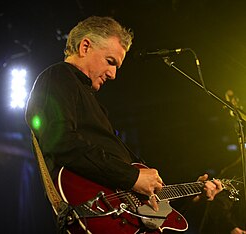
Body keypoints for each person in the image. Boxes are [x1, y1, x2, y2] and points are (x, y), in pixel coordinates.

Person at [25, 16, 222, 232]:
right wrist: (132, 177)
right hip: (93, 209)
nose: (113, 74)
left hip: (118, 210)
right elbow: (62, 142)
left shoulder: (92, 103)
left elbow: (131, 187)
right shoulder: (57, 76)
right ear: (85, 46)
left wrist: (193, 194)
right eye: (111, 61)